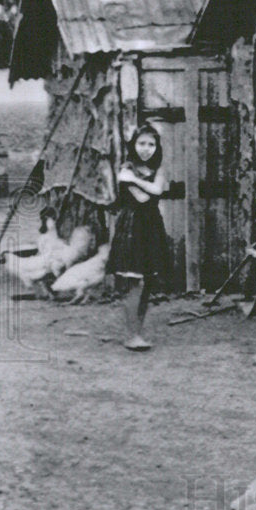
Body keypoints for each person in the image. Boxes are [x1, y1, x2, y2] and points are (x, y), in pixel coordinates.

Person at [109, 124, 170, 351]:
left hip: (152, 226)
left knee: (149, 282)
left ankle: (138, 331)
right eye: (142, 143)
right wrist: (144, 185)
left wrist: (133, 180)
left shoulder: (154, 169)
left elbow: (157, 191)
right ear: (133, 145)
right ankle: (131, 335)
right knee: (134, 282)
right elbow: (143, 199)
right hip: (133, 226)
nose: (146, 149)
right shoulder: (127, 167)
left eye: (151, 144)